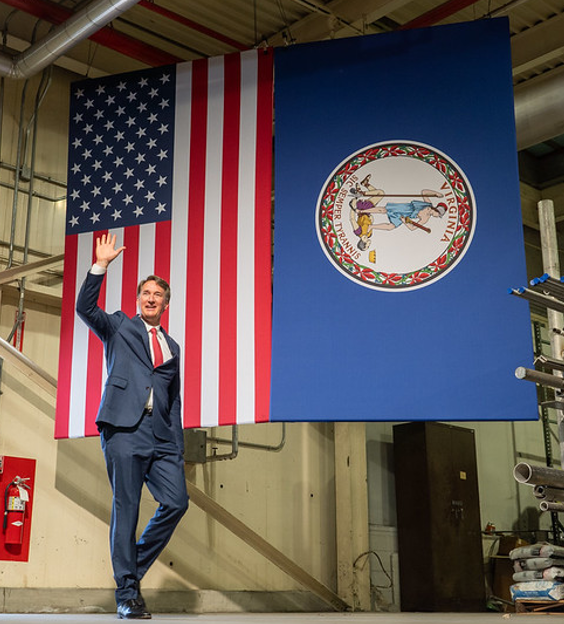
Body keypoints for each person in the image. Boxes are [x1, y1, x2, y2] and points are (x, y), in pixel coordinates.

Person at [76, 233, 189, 620]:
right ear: (139, 299)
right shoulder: (119, 326)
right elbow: (85, 308)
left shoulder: (173, 346)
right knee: (127, 508)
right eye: (146, 293)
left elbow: (173, 400)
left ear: (166, 304)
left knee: (176, 502)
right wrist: (100, 266)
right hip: (124, 430)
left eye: (158, 294)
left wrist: (177, 447)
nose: (151, 298)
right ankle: (127, 594)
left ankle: (129, 572)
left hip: (162, 436)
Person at [349, 176, 446, 250]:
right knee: (384, 210)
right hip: (405, 208)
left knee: (391, 227)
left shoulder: (426, 218)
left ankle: (372, 226)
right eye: (438, 215)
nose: (437, 217)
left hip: (405, 216)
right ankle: (362, 210)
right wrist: (436, 193)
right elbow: (424, 192)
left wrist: (404, 222)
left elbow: (412, 228)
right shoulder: (428, 203)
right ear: (436, 210)